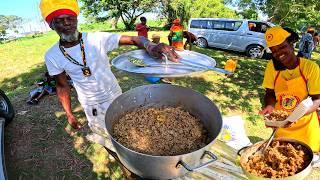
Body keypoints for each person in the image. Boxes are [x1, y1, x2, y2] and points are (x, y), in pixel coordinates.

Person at [39, 0, 180, 145]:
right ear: (51, 25)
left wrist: (151, 46)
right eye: (60, 21)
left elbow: (134, 39)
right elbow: (62, 86)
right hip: (92, 104)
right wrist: (69, 114)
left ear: (76, 19)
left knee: (127, 130)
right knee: (106, 136)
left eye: (70, 18)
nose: (67, 23)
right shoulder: (52, 55)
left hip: (115, 94)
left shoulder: (96, 39)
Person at [260, 26, 320, 152]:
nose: (278, 53)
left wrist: (295, 116)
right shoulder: (272, 67)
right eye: (273, 50)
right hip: (281, 125)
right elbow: (269, 93)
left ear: (291, 44)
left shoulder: (310, 68)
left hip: (305, 127)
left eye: (282, 47)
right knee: (280, 155)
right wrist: (270, 106)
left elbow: (317, 100)